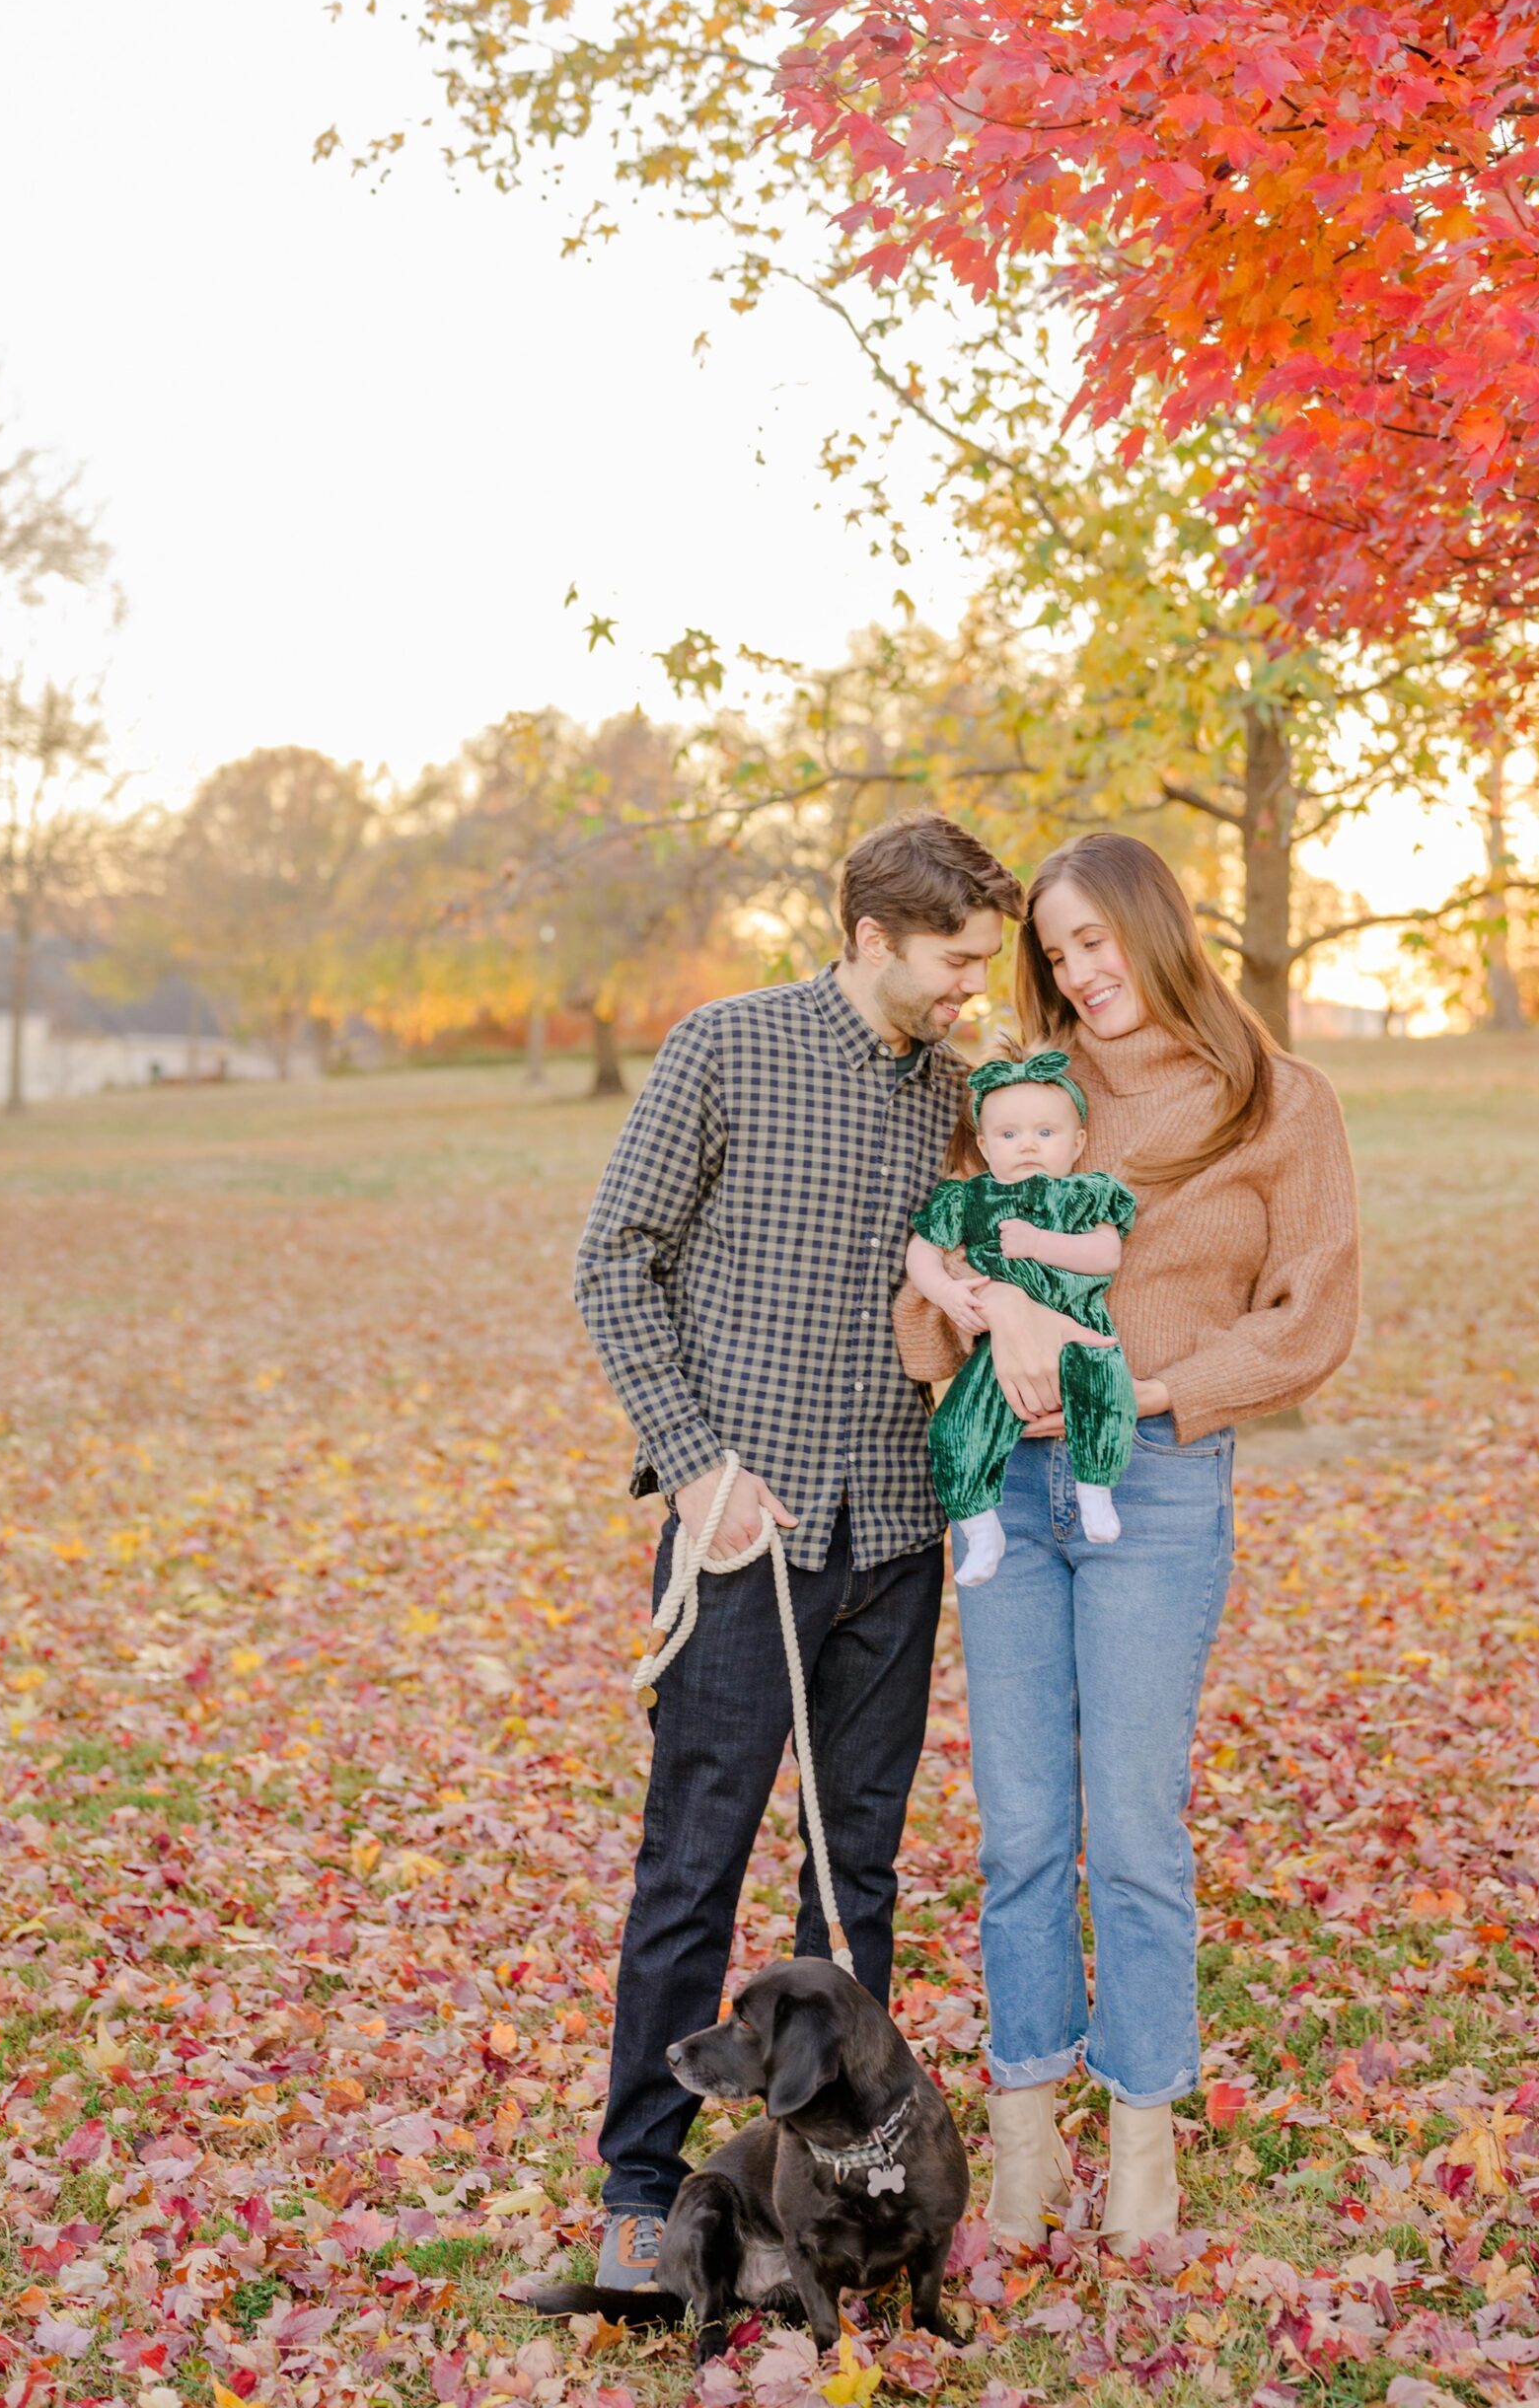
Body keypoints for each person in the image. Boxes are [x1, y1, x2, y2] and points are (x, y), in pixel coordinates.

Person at [570, 811, 1023, 2291]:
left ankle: (838, 2192)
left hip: (893, 1537)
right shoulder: (724, 1047)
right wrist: (697, 1468)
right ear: (871, 937)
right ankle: (642, 2183)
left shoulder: (953, 1095)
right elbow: (613, 1262)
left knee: (859, 1880)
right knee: (692, 1866)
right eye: (953, 960)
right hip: (738, 1540)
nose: (971, 986)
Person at [892, 832, 1360, 2254]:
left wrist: (1137, 1391)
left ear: (1156, 929)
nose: (1074, 970)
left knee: (1131, 1835)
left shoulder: (1275, 1100)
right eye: (1053, 947)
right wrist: (990, 1314)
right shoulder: (1017, 1095)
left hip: (1151, 1487)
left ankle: (1144, 2139)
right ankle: (1026, 2139)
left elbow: (1307, 1321)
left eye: (1095, 938)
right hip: (1003, 1505)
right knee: (1021, 1830)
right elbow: (933, 1294)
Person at [905, 1049, 1137, 1584]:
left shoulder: (1085, 1193)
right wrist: (945, 1291)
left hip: (1083, 1329)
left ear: (1077, 1142)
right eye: (1008, 1135)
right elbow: (922, 1249)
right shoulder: (969, 1198)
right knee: (957, 1427)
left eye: (1045, 1133)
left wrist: (1040, 1242)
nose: (1027, 1144)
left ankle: (1096, 1489)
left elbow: (1106, 1255)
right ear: (984, 1146)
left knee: (1106, 1394)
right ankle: (981, 1527)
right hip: (999, 1349)